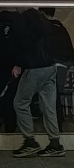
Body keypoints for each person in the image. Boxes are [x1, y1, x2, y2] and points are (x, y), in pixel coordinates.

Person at [10, 8, 64, 158]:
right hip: (50, 66)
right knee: (48, 106)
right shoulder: (43, 21)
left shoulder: (23, 20)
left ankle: (29, 141)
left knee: (20, 103)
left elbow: (23, 45)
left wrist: (18, 64)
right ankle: (55, 143)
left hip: (34, 67)